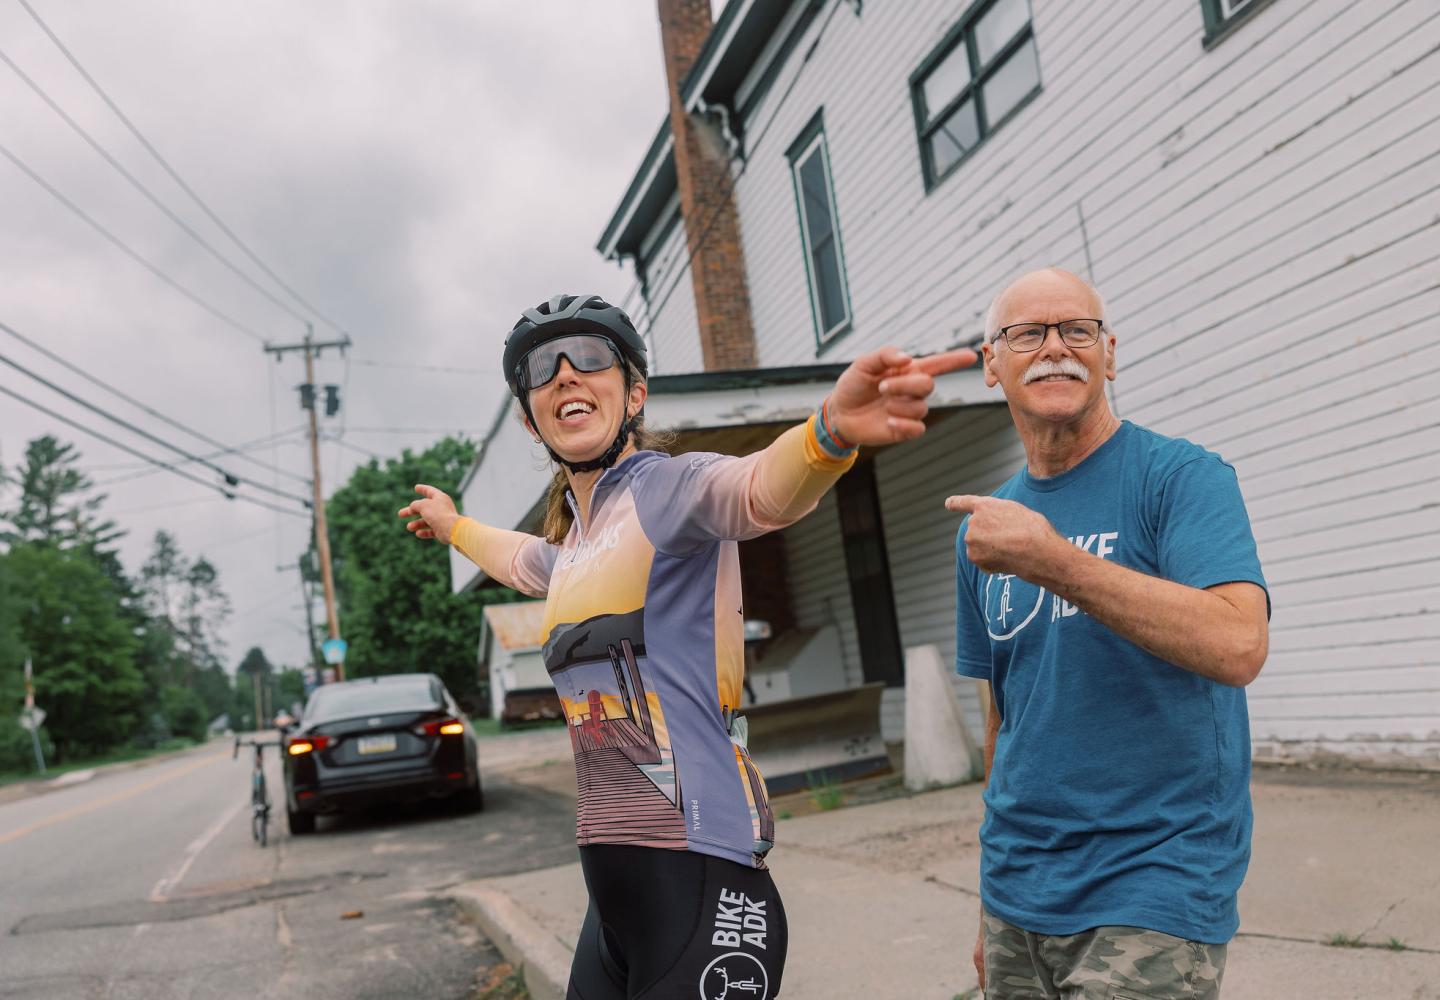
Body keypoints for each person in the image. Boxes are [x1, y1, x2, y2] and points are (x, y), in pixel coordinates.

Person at [400, 293, 974, 999]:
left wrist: (827, 434)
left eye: (590, 356)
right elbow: (522, 559)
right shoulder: (576, 549)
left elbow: (757, 490)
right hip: (611, 897)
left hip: (701, 877)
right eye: (542, 369)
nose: (566, 375)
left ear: (635, 392)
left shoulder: (668, 491)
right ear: (529, 417)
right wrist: (453, 524)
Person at [945, 269, 1269, 1000]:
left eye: (1077, 330)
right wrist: (990, 901)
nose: (1055, 347)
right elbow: (1005, 714)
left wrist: (1056, 562)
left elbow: (1239, 645)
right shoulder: (988, 528)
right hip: (1018, 895)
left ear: (1110, 353)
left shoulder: (1180, 478)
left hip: (1154, 882)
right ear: (992, 363)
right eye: (1027, 333)